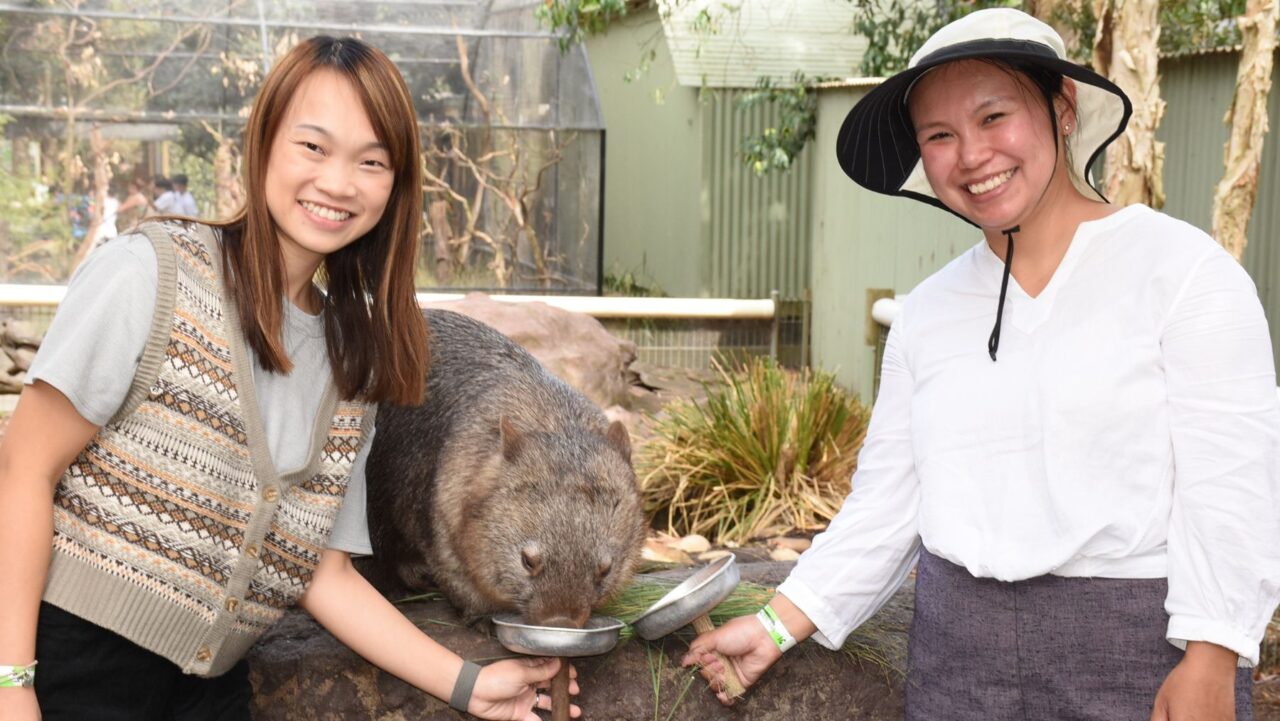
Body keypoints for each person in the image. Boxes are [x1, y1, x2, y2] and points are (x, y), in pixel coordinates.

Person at [683, 9, 1280, 721]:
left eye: (993, 116)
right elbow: (886, 505)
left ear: (1062, 108)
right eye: (939, 136)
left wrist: (1213, 650)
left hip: (1135, 654)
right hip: (958, 662)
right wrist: (776, 624)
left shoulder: (1182, 274)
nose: (970, 155)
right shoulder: (927, 315)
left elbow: (1233, 483)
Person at [0, 36, 576, 721]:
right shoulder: (152, 274)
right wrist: (13, 684)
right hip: (72, 664)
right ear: (265, 141)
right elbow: (23, 470)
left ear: (395, 184)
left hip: (209, 686)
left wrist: (470, 685)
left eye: (371, 161)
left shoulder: (352, 359)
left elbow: (325, 575)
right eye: (314, 147)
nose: (338, 183)